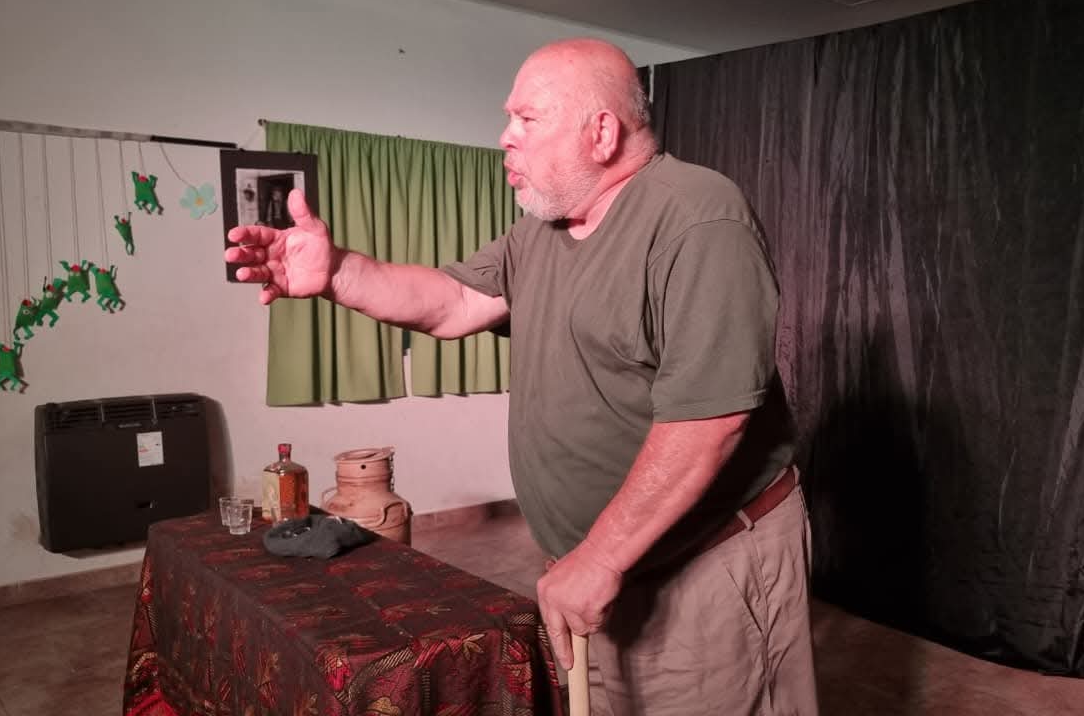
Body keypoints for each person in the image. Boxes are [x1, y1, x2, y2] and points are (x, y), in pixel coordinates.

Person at [226, 38, 819, 715]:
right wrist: (337, 272)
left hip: (704, 562)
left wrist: (600, 557)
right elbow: (453, 302)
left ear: (601, 132)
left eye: (527, 119)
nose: (505, 137)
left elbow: (709, 420)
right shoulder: (541, 232)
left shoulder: (697, 215)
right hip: (604, 565)